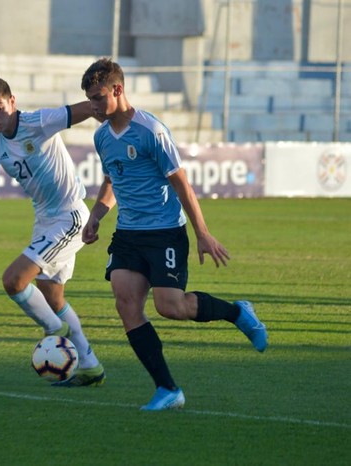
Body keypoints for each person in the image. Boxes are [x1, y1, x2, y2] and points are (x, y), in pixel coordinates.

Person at [79, 58, 268, 410]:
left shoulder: (152, 131)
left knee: (171, 306)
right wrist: (97, 216)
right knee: (126, 302)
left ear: (118, 90)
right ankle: (167, 389)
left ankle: (238, 313)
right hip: (128, 233)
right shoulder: (101, 136)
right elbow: (113, 180)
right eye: (90, 99)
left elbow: (181, 183)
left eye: (98, 98)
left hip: (165, 231)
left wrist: (203, 233)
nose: (94, 106)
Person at [0, 76, 105, 387]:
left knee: (14, 280)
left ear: (12, 102)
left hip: (69, 215)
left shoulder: (37, 122)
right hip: (44, 220)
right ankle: (90, 366)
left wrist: (112, 110)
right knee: (52, 296)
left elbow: (81, 109)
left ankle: (54, 331)